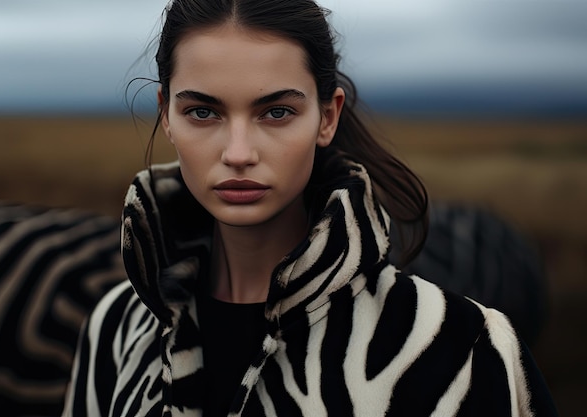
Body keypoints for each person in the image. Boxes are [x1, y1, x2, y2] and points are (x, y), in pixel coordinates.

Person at [62, 0, 558, 415]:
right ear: (166, 117)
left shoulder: (465, 349)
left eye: (276, 112)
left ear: (327, 118)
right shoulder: (115, 328)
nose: (238, 153)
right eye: (203, 112)